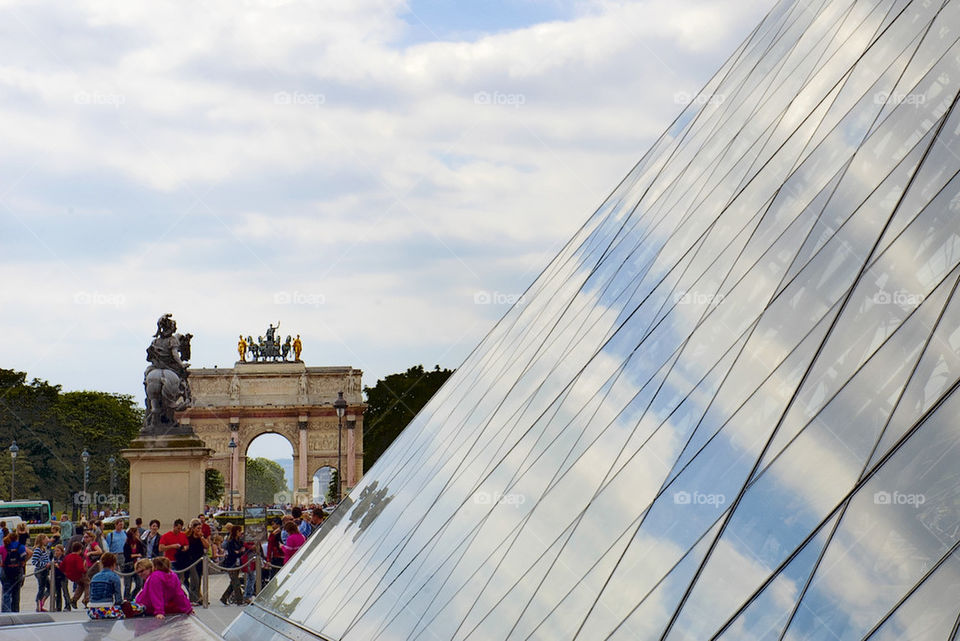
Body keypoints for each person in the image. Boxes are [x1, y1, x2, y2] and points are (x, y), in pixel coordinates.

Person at [1, 531, 30, 612]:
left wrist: (1, 563)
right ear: (17, 538)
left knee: (6, 592)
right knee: (16, 593)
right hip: (17, 570)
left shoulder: (4, 547)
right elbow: (30, 553)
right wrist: (24, 562)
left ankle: (6, 611)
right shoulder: (20, 547)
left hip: (6, 570)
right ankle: (15, 611)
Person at [182, 520, 208, 604]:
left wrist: (202, 537)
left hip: (199, 560)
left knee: (198, 579)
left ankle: (196, 597)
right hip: (190, 560)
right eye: (198, 528)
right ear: (193, 528)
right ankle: (193, 596)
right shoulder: (188, 537)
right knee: (191, 579)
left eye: (200, 528)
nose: (199, 530)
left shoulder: (201, 537)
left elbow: (207, 546)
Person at [219, 526, 245, 605]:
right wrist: (239, 552)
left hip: (237, 564)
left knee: (233, 582)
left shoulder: (239, 541)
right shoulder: (230, 542)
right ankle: (239, 600)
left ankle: (224, 597)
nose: (241, 533)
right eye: (240, 531)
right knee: (236, 582)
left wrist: (239, 552)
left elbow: (241, 551)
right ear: (236, 532)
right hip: (231, 564)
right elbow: (232, 553)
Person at [122, 525, 145, 600]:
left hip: (138, 566)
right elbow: (127, 556)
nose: (138, 534)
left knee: (139, 584)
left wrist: (136, 555)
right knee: (128, 585)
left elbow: (142, 553)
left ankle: (131, 597)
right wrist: (136, 555)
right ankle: (126, 599)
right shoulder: (127, 544)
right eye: (137, 533)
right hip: (128, 566)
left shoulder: (139, 543)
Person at [64, 541, 88, 607]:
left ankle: (74, 599)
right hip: (79, 574)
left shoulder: (68, 556)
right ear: (80, 549)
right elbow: (80, 568)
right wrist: (85, 570)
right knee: (88, 584)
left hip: (72, 575)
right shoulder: (77, 557)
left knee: (81, 586)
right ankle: (87, 599)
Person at [31, 533, 51, 612]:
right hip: (40, 571)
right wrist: (44, 564)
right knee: (41, 588)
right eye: (46, 539)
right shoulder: (37, 549)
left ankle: (41, 602)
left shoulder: (44, 549)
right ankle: (39, 603)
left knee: (48, 587)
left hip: (45, 571)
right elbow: (34, 561)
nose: (47, 540)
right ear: (42, 540)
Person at [51, 544, 72, 612]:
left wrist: (58, 566)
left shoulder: (64, 558)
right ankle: (58, 606)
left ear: (62, 551)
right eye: (55, 551)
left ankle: (68, 605)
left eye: (58, 551)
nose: (56, 552)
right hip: (56, 576)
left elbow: (64, 567)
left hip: (63, 576)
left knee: (65, 591)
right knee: (57, 592)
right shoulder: (54, 558)